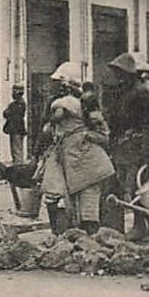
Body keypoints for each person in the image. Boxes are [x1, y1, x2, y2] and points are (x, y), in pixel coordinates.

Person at [42, 63, 114, 235]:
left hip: (81, 157)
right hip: (74, 156)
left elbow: (54, 119)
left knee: (84, 200)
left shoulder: (67, 104)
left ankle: (80, 236)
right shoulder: (84, 105)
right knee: (72, 198)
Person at [104, 52, 149, 242]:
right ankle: (145, 227)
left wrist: (147, 150)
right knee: (131, 188)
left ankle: (145, 227)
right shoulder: (123, 92)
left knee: (139, 188)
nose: (117, 76)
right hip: (123, 146)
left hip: (137, 146)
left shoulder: (140, 92)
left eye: (119, 72)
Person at [2, 85, 28, 165]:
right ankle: (18, 164)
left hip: (16, 129)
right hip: (17, 129)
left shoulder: (16, 105)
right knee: (17, 148)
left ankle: (18, 166)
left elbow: (7, 113)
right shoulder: (20, 104)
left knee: (16, 149)